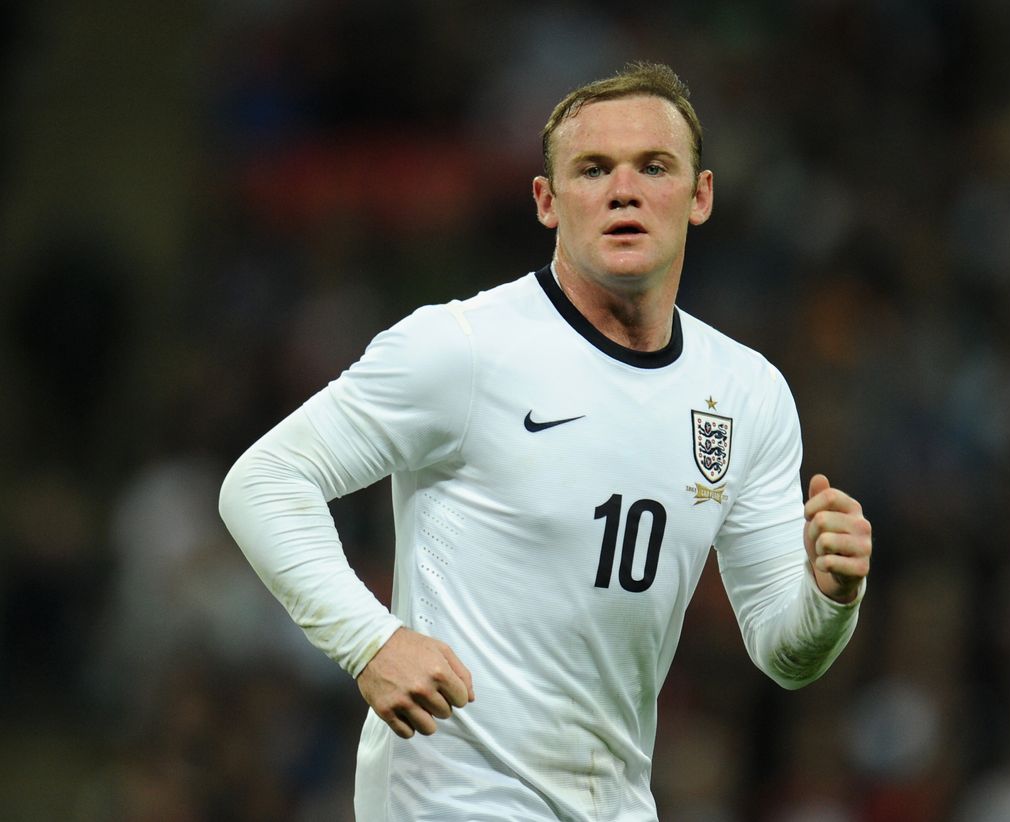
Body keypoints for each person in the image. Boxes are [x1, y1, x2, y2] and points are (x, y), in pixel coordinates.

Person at [219, 61, 872, 821]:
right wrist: (372, 642)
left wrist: (831, 597)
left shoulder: (747, 393)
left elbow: (783, 652)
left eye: (653, 167)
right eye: (593, 170)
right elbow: (265, 480)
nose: (623, 190)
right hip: (453, 801)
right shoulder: (462, 348)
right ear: (547, 201)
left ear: (700, 197)